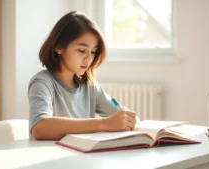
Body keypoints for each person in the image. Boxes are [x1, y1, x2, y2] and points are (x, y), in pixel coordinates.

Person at [28, 11, 137, 140]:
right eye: (81, 50)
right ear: (59, 47)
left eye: (93, 52)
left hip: (81, 156)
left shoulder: (90, 87)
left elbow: (122, 117)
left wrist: (128, 120)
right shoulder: (42, 82)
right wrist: (104, 124)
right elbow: (40, 128)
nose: (89, 59)